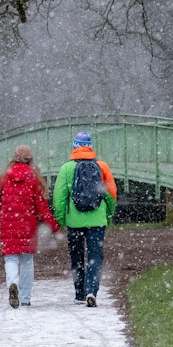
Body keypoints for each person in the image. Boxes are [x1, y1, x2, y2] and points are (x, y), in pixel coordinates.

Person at [52, 132, 117, 307]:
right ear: (90, 146)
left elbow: (59, 199)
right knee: (95, 256)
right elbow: (111, 194)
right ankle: (91, 290)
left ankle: (79, 293)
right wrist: (108, 215)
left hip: (74, 221)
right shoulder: (102, 166)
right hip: (97, 220)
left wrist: (61, 220)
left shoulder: (66, 168)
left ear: (74, 147)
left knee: (76, 256)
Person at [0, 145, 60, 309]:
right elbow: (41, 205)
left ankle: (12, 283)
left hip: (8, 222)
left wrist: (4, 214)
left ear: (14, 158)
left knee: (10, 258)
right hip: (27, 224)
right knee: (27, 260)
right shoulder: (33, 178)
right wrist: (53, 224)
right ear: (30, 160)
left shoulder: (4, 177)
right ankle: (24, 297)